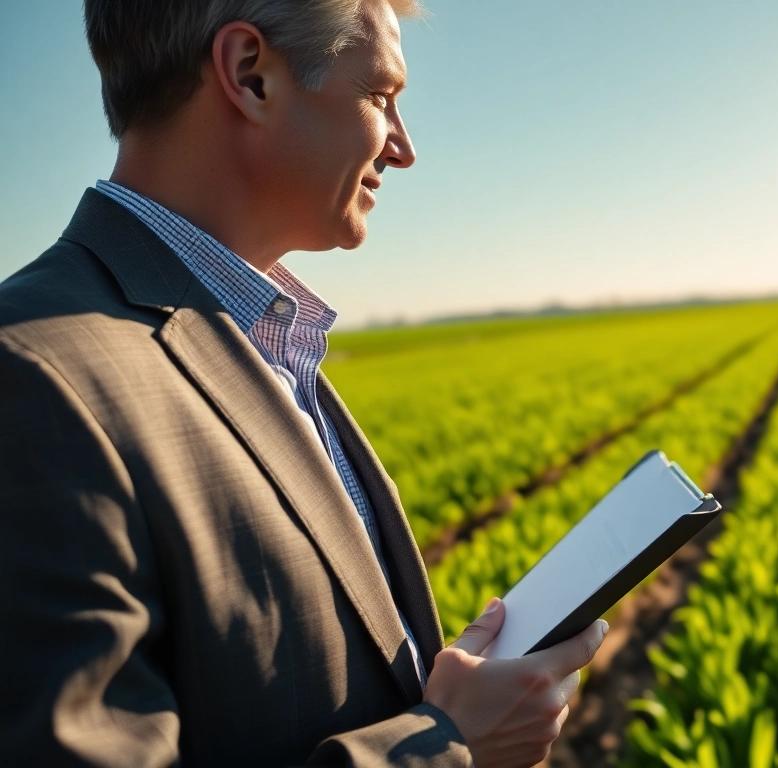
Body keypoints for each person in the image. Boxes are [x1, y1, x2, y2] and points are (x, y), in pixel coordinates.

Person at [0, 1, 607, 765]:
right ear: (251, 76)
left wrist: (446, 701)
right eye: (382, 96)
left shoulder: (265, 336)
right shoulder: (30, 375)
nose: (405, 147)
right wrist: (446, 747)